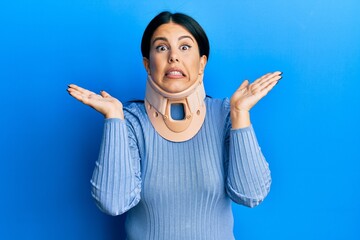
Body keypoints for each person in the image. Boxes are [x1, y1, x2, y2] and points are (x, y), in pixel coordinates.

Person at [67, 11, 281, 240]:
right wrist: (114, 119)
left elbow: (251, 194)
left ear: (202, 64)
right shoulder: (130, 122)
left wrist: (240, 114)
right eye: (161, 47)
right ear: (147, 65)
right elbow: (113, 203)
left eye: (185, 47)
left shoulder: (226, 115)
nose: (173, 57)